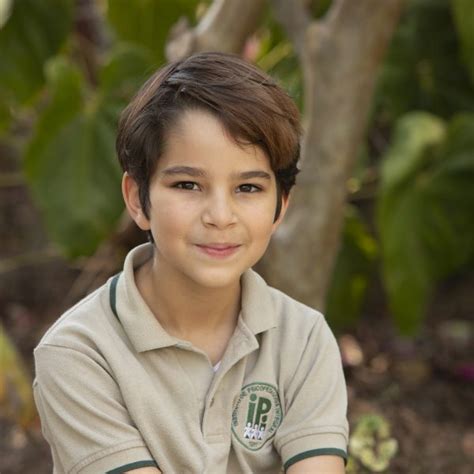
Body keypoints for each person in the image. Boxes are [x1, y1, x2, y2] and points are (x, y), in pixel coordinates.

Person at [33, 51, 348, 474]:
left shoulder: (304, 339)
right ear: (136, 199)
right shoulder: (80, 354)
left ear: (281, 206)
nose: (220, 215)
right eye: (188, 184)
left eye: (249, 188)